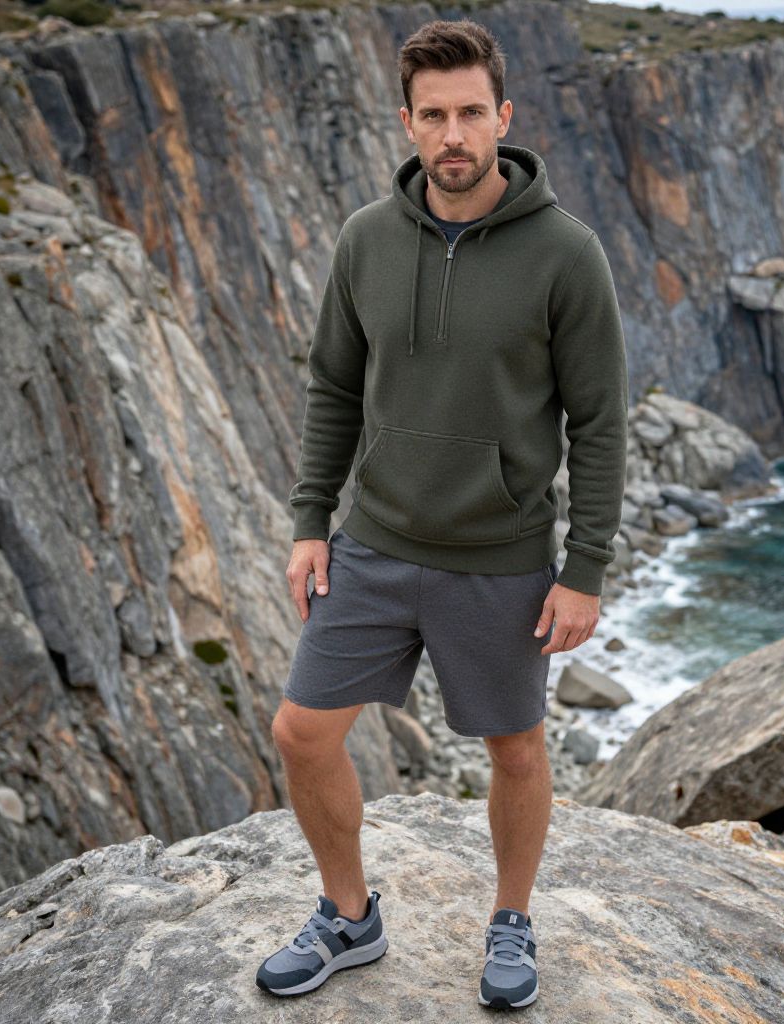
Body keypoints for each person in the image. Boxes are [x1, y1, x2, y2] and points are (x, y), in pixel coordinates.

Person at [255, 17, 628, 1011]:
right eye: (434, 116)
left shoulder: (566, 254)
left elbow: (599, 423)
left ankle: (511, 917)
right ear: (408, 123)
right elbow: (333, 388)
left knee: (515, 747)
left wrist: (584, 567)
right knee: (301, 731)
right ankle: (348, 914)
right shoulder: (365, 241)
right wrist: (307, 521)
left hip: (501, 558)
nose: (453, 133)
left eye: (471, 112)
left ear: (501, 117)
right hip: (372, 543)